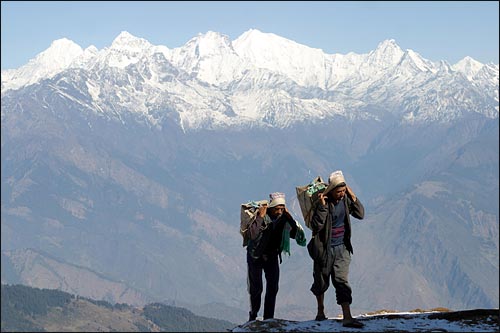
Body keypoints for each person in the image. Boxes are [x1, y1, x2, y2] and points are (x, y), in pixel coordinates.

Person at [309, 170, 365, 328]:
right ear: (331, 190)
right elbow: (316, 226)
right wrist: (322, 207)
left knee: (341, 281)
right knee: (320, 281)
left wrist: (352, 195)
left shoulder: (346, 200)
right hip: (324, 250)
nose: (341, 194)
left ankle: (347, 316)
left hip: (342, 248)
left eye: (343, 190)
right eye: (338, 191)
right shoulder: (323, 203)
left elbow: (360, 214)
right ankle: (320, 311)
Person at [245, 192, 306, 321]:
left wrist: (289, 217)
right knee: (256, 288)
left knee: (273, 286)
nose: (279, 212)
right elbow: (253, 235)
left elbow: (294, 234)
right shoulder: (262, 217)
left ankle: (268, 317)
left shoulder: (283, 219)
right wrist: (260, 217)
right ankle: (253, 314)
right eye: (277, 209)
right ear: (270, 208)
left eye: (282, 209)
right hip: (255, 256)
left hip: (271, 256)